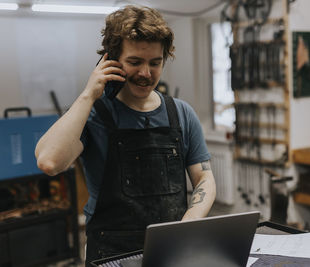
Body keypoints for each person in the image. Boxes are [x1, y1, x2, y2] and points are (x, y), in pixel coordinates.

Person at [35, 5, 216, 265]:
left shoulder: (181, 114)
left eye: (155, 63)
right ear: (110, 60)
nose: (145, 73)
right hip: (111, 255)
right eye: (134, 62)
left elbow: (204, 178)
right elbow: (49, 162)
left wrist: (187, 225)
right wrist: (89, 94)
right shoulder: (93, 115)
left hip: (170, 250)